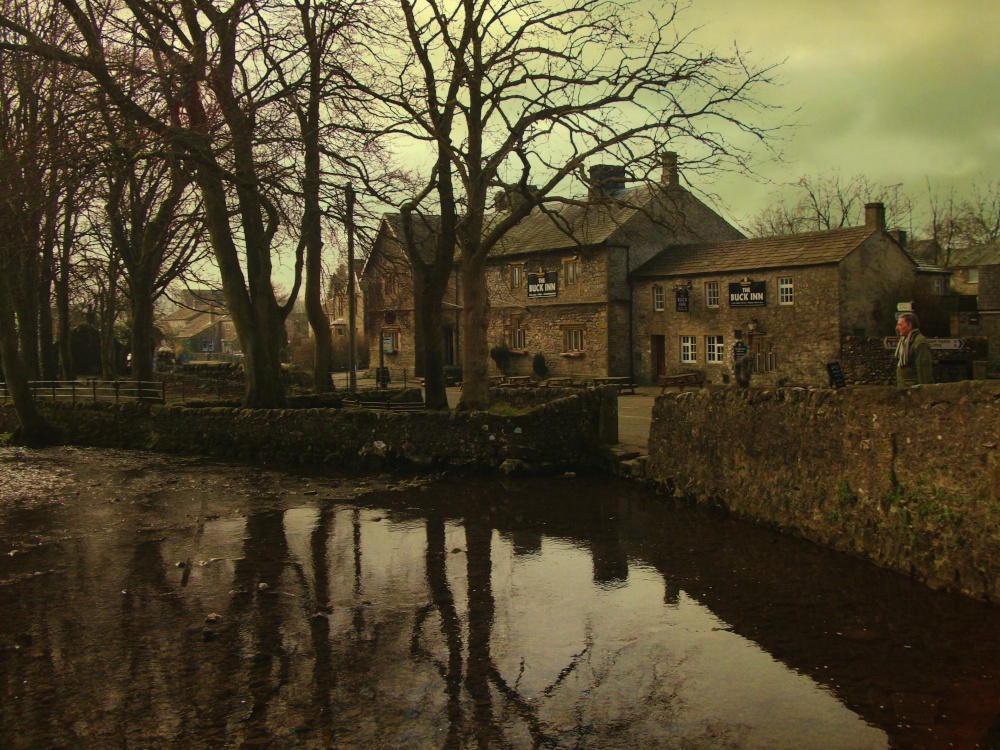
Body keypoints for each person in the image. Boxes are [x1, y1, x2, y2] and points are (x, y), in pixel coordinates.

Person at [894, 311, 933, 387]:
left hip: (914, 389)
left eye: (900, 325)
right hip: (904, 387)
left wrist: (926, 391)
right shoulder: (904, 341)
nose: (897, 328)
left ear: (909, 326)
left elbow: (923, 369)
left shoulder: (920, 343)